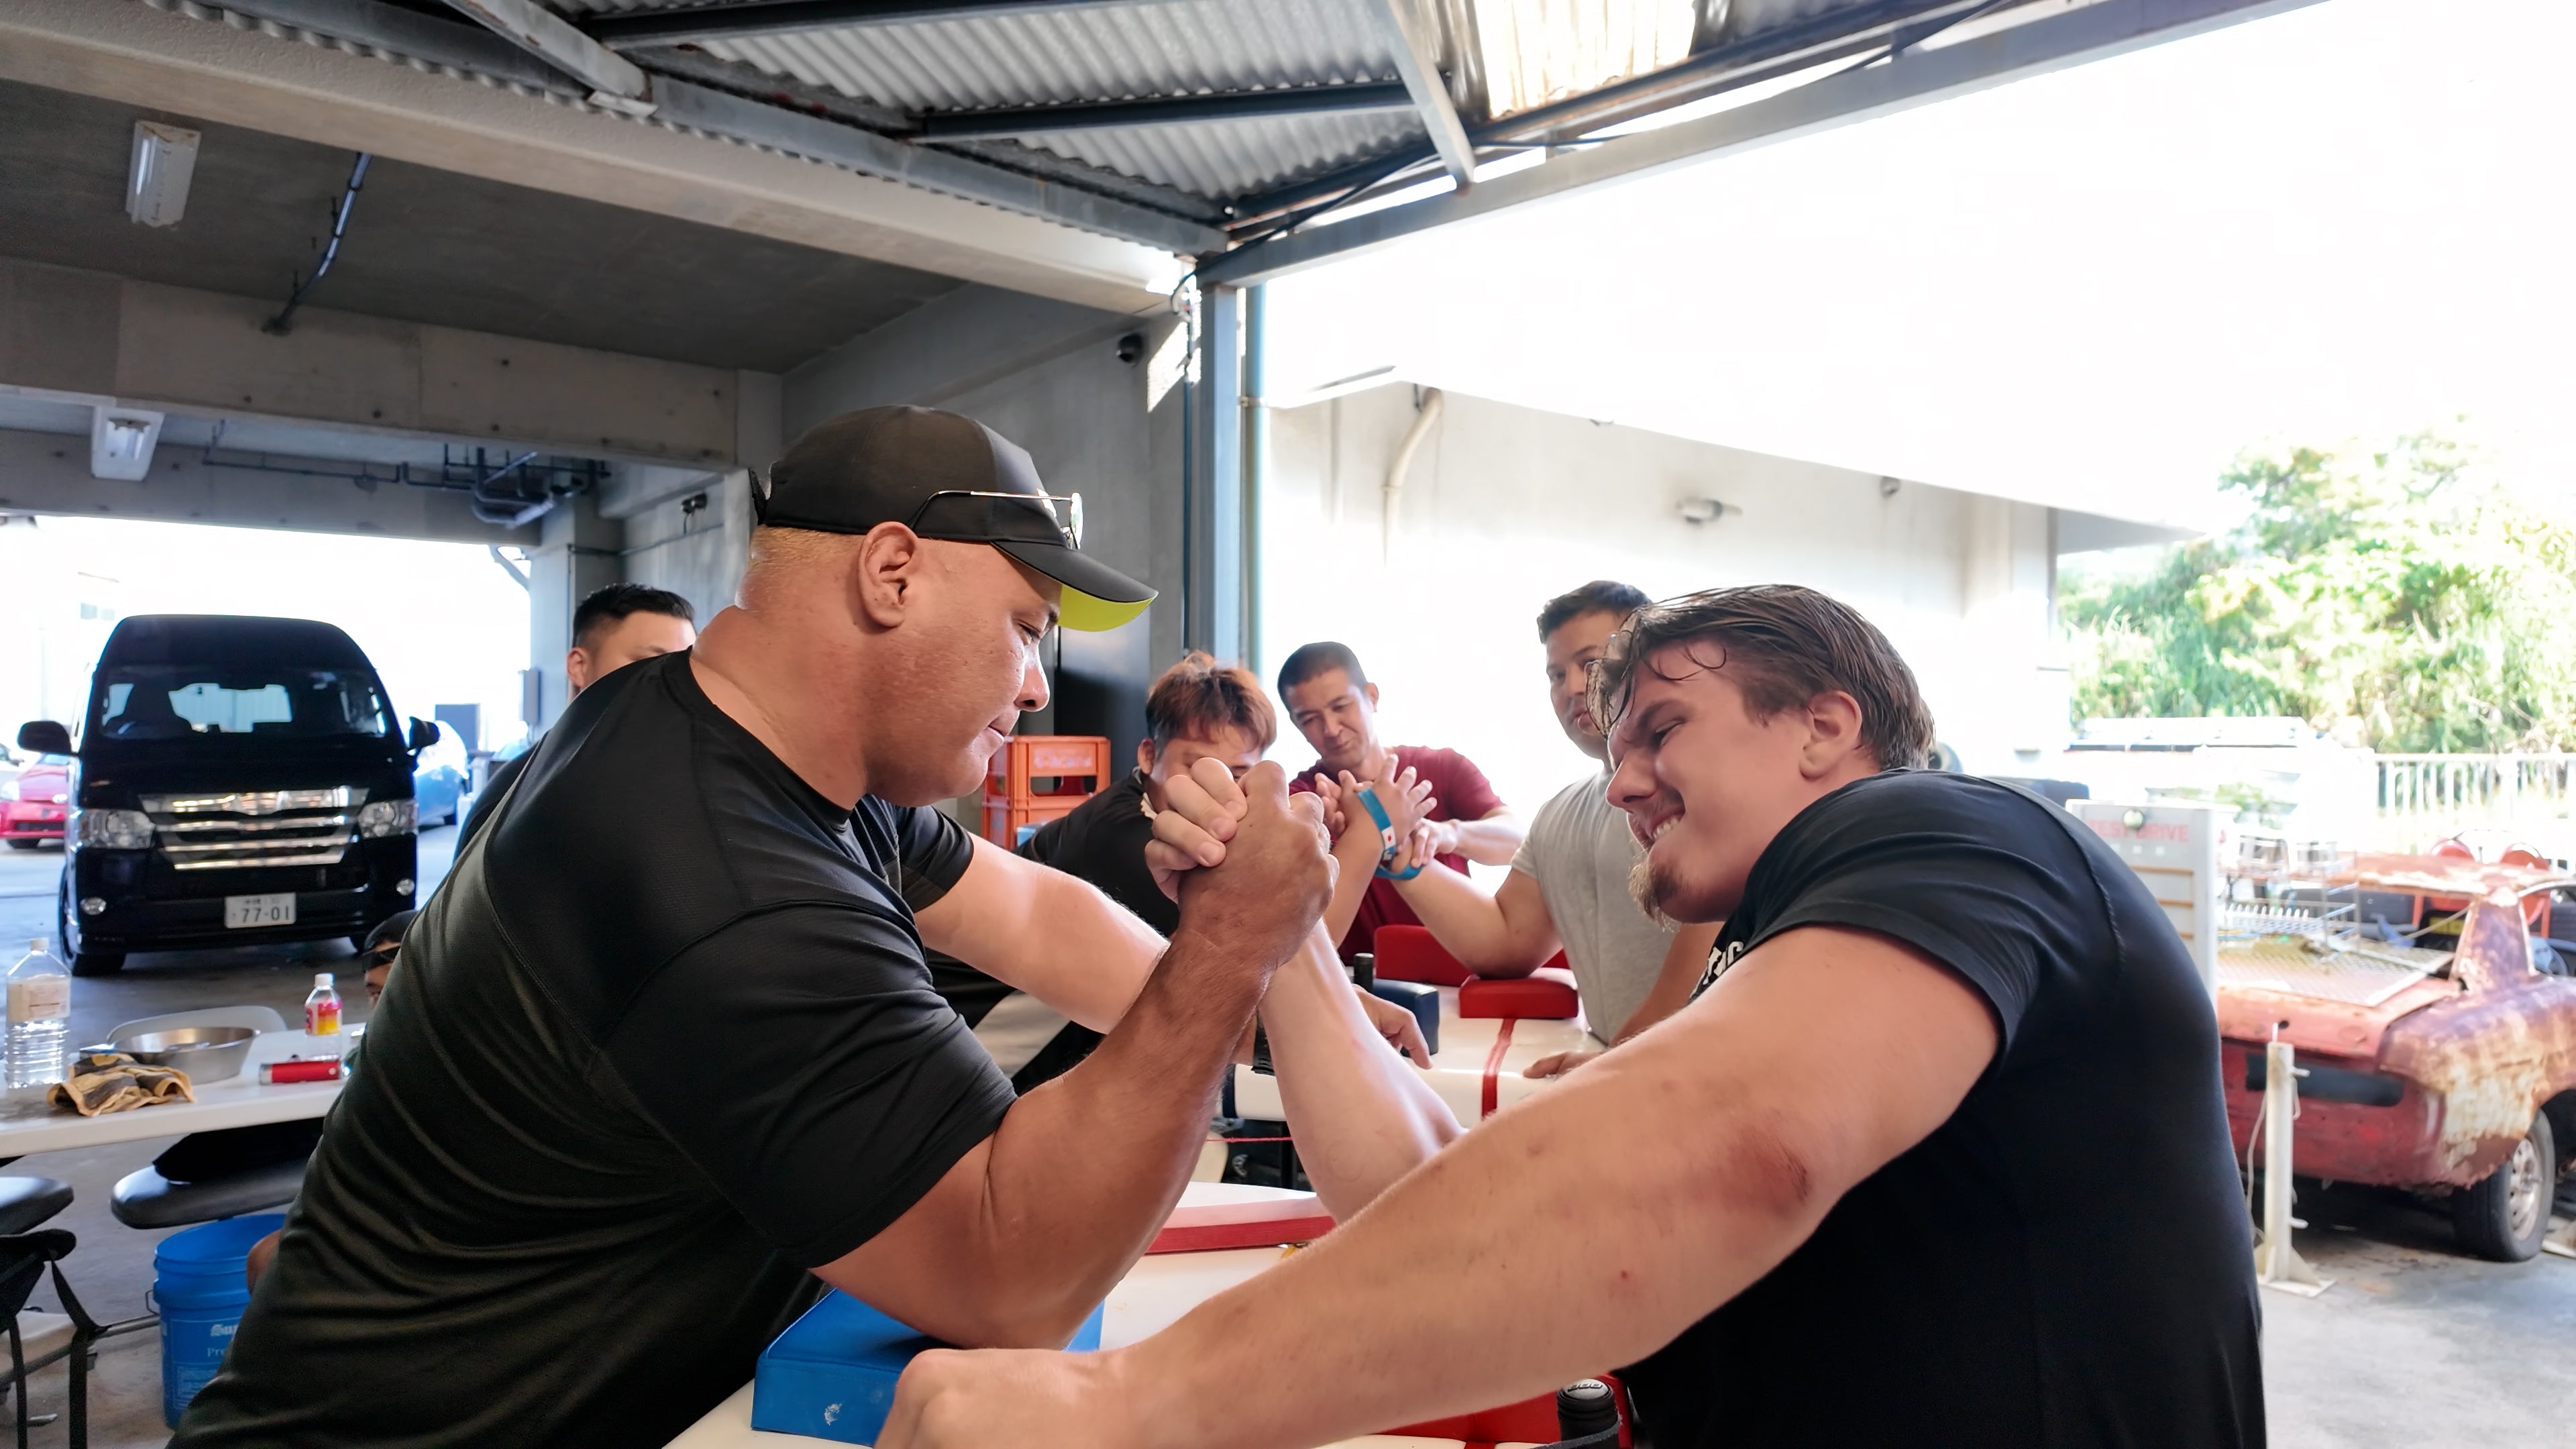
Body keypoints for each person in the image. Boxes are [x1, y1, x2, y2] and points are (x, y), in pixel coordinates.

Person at [173, 405, 1454, 1448]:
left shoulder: (752, 749)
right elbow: (1014, 1271)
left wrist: (1270, 1021)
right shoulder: (699, 862)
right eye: (1022, 629)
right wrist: (1230, 952)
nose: (1030, 683)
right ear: (891, 572)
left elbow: (1038, 915)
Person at [881, 583, 2265, 1449]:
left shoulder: (1958, 830)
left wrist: (1132, 1411)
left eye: (1661, 730)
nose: (1628, 785)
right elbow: (1425, 1190)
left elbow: (1733, 1145)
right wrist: (1283, 941)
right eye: (1613, 754)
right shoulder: (1780, 948)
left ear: (1826, 728)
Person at [938, 651, 1348, 1088]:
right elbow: (1278, 952)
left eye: (1239, 771)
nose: (1221, 788)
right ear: (1150, 756)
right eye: (1196, 766)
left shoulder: (1155, 814)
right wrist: (1368, 838)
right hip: (967, 1063)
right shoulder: (1129, 842)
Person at [1356, 582, 1719, 1062]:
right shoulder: (1562, 812)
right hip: (1625, 1071)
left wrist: (1618, 1071)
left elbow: (1712, 956)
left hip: (1689, 1076)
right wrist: (1397, 855)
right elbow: (1506, 941)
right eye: (1556, 673)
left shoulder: (1702, 791)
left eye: (1592, 664)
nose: (1572, 687)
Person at [1275, 641, 1522, 962]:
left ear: (1372, 697)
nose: (1331, 729)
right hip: (1357, 987)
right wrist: (1361, 839)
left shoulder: (1442, 769)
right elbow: (1297, 928)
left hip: (1458, 974)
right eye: (1309, 718)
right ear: (1296, 725)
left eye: (1341, 707)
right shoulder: (1304, 800)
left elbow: (1517, 841)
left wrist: (1448, 834)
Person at [454, 582, 697, 850]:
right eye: (652, 663)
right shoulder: (516, 803)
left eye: (684, 668)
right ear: (579, 666)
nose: (676, 683)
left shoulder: (687, 784)